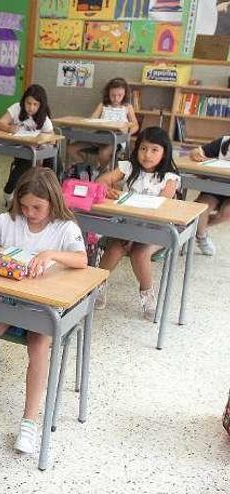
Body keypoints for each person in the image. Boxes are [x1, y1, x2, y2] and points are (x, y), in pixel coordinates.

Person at [0, 167, 87, 455]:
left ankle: (29, 421)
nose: (29, 212)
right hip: (11, 300)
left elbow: (81, 259)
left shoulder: (65, 228)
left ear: (53, 201)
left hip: (44, 307)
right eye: (25, 206)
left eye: (37, 207)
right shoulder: (10, 221)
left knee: (38, 348)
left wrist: (51, 254)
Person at [95, 127, 180, 320]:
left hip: (156, 229)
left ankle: (147, 294)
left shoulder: (169, 177)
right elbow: (101, 181)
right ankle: (96, 286)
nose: (147, 155)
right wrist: (106, 189)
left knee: (139, 253)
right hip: (128, 226)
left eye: (154, 150)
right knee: (115, 248)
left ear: (164, 152)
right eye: (143, 149)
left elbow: (163, 203)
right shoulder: (128, 167)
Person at [66, 77, 139, 176]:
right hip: (99, 137)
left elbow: (135, 125)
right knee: (71, 148)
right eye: (113, 95)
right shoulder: (103, 105)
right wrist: (89, 122)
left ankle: (104, 172)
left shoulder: (127, 107)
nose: (116, 98)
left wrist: (127, 133)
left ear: (125, 94)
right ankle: (86, 168)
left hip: (115, 139)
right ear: (108, 94)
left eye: (119, 95)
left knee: (103, 154)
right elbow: (91, 120)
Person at [0, 84, 55, 204]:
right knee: (25, 161)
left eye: (35, 104)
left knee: (51, 160)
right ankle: (9, 191)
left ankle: (50, 193)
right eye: (28, 103)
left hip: (39, 149)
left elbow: (52, 138)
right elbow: (0, 122)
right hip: (22, 147)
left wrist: (41, 146)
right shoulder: (16, 108)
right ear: (24, 102)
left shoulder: (44, 116)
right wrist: (9, 128)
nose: (31, 108)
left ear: (41, 105)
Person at [188, 135, 230, 255]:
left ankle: (192, 228)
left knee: (227, 212)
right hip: (215, 187)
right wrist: (196, 153)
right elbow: (198, 150)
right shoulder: (225, 141)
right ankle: (201, 236)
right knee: (202, 208)